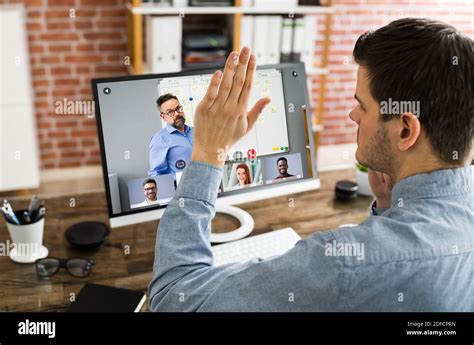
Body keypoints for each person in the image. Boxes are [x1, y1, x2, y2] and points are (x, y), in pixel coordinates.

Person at [149, 18, 474, 311]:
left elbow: (174, 298)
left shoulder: (344, 265)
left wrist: (209, 150)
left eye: (362, 106)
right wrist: (390, 206)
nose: (352, 115)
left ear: (405, 130)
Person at [148, 94, 194, 177]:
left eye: (178, 109)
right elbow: (156, 174)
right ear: (163, 117)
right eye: (170, 112)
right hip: (181, 188)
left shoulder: (196, 131)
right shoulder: (159, 139)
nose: (176, 114)